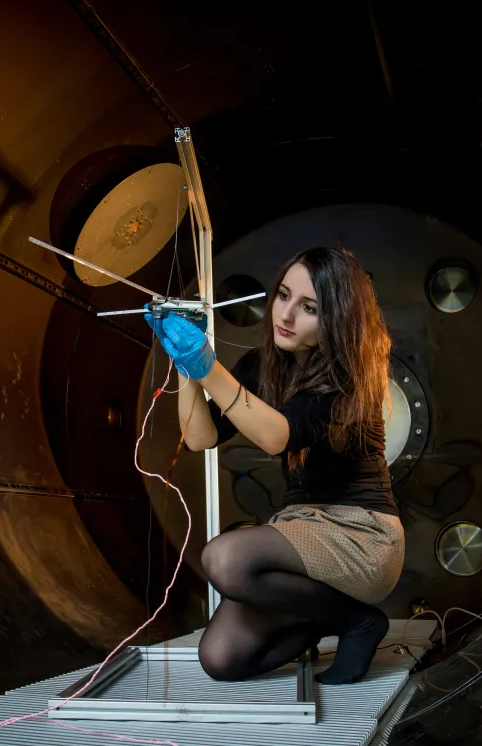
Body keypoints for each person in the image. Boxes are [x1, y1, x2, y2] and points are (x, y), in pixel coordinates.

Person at [144, 246, 403, 685]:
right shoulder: (260, 366)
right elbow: (201, 437)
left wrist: (207, 365)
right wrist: (187, 365)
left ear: (337, 318)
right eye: (283, 295)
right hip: (301, 533)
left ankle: (358, 621)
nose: (285, 314)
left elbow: (276, 435)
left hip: (361, 536)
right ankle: (322, 619)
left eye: (309, 308)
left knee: (225, 558)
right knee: (222, 658)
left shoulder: (347, 377)